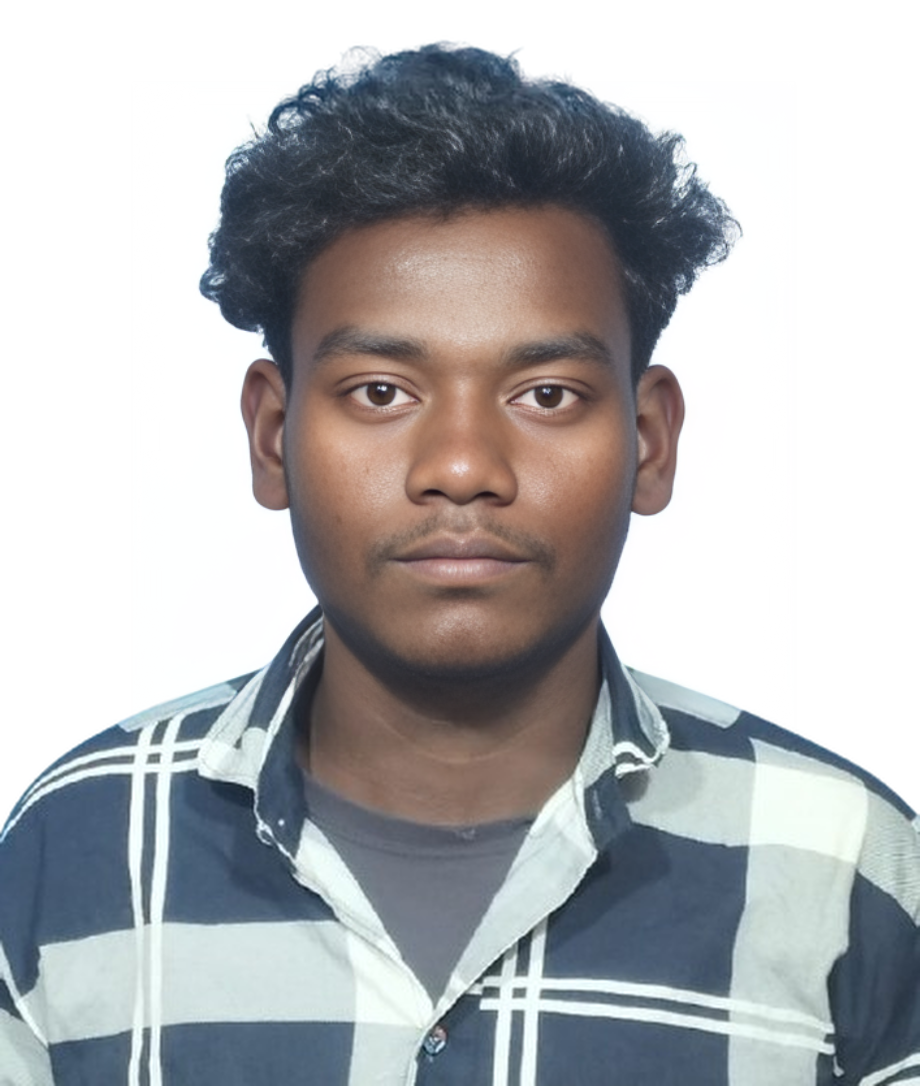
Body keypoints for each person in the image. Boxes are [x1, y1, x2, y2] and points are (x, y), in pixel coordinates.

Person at [1, 43, 917, 1086]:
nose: (462, 468)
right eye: (380, 392)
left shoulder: (846, 871)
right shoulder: (69, 853)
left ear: (649, 441)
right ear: (272, 436)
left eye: (547, 395)